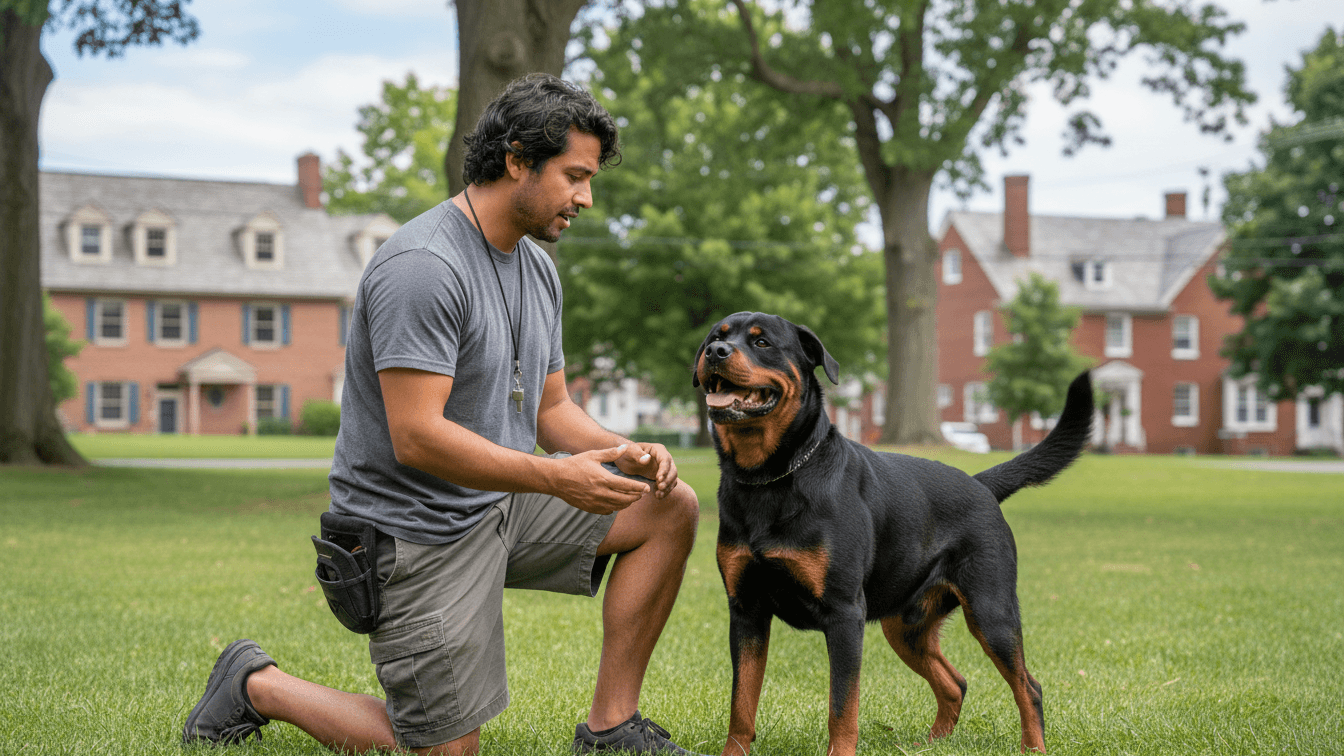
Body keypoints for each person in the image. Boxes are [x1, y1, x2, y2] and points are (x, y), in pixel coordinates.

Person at [182, 73, 703, 756]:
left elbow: (553, 410)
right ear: (517, 160)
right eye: (575, 176)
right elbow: (418, 437)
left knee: (668, 505)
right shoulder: (424, 266)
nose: (586, 197)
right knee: (444, 752)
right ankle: (257, 683)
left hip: (497, 504)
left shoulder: (537, 269)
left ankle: (611, 728)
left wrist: (622, 449)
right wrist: (554, 479)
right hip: (412, 534)